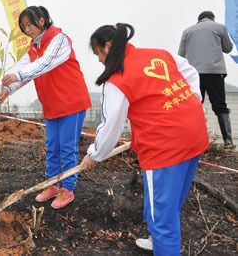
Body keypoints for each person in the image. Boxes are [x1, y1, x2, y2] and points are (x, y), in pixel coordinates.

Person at [81, 23, 209, 255]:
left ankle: (163, 243)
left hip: (164, 148)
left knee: (162, 216)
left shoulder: (117, 79)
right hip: (194, 133)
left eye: (98, 53)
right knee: (170, 201)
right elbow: (190, 71)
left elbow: (111, 126)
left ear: (108, 46)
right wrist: (192, 103)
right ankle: (157, 240)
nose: (100, 60)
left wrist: (94, 155)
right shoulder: (159, 54)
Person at [0, 6, 91, 209]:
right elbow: (23, 69)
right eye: (23, 27)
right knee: (52, 147)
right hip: (52, 105)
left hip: (71, 103)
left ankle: (67, 189)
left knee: (67, 148)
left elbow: (45, 63)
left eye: (29, 24)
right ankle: (52, 184)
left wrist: (19, 76)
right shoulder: (34, 47)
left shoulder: (59, 39)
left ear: (41, 21)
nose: (27, 30)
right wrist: (8, 88)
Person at [178, 11, 235, 149]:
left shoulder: (187, 31)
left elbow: (181, 55)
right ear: (212, 18)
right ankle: (228, 141)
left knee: (194, 104)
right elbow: (228, 48)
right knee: (219, 105)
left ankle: (190, 140)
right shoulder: (219, 27)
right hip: (215, 72)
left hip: (194, 74)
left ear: (199, 20)